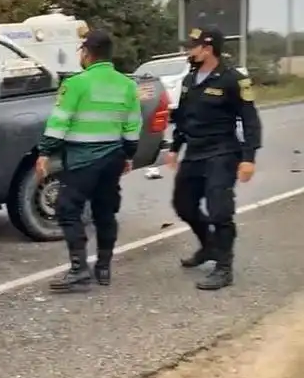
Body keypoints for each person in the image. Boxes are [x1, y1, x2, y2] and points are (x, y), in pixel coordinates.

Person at [36, 30, 142, 292]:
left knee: (67, 209)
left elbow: (59, 121)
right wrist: (128, 155)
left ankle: (79, 268)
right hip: (113, 158)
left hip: (83, 159)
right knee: (105, 212)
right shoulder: (127, 85)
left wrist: (45, 152)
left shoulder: (75, 84)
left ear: (87, 53)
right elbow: (132, 125)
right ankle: (103, 267)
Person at [165, 26, 262, 291]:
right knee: (183, 205)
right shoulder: (190, 80)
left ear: (207, 49)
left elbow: (250, 121)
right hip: (195, 152)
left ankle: (224, 268)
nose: (188, 51)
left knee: (220, 210)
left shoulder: (233, 79)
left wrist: (248, 157)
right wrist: (175, 147)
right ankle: (209, 246)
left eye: (192, 46)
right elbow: (184, 118)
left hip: (222, 152)